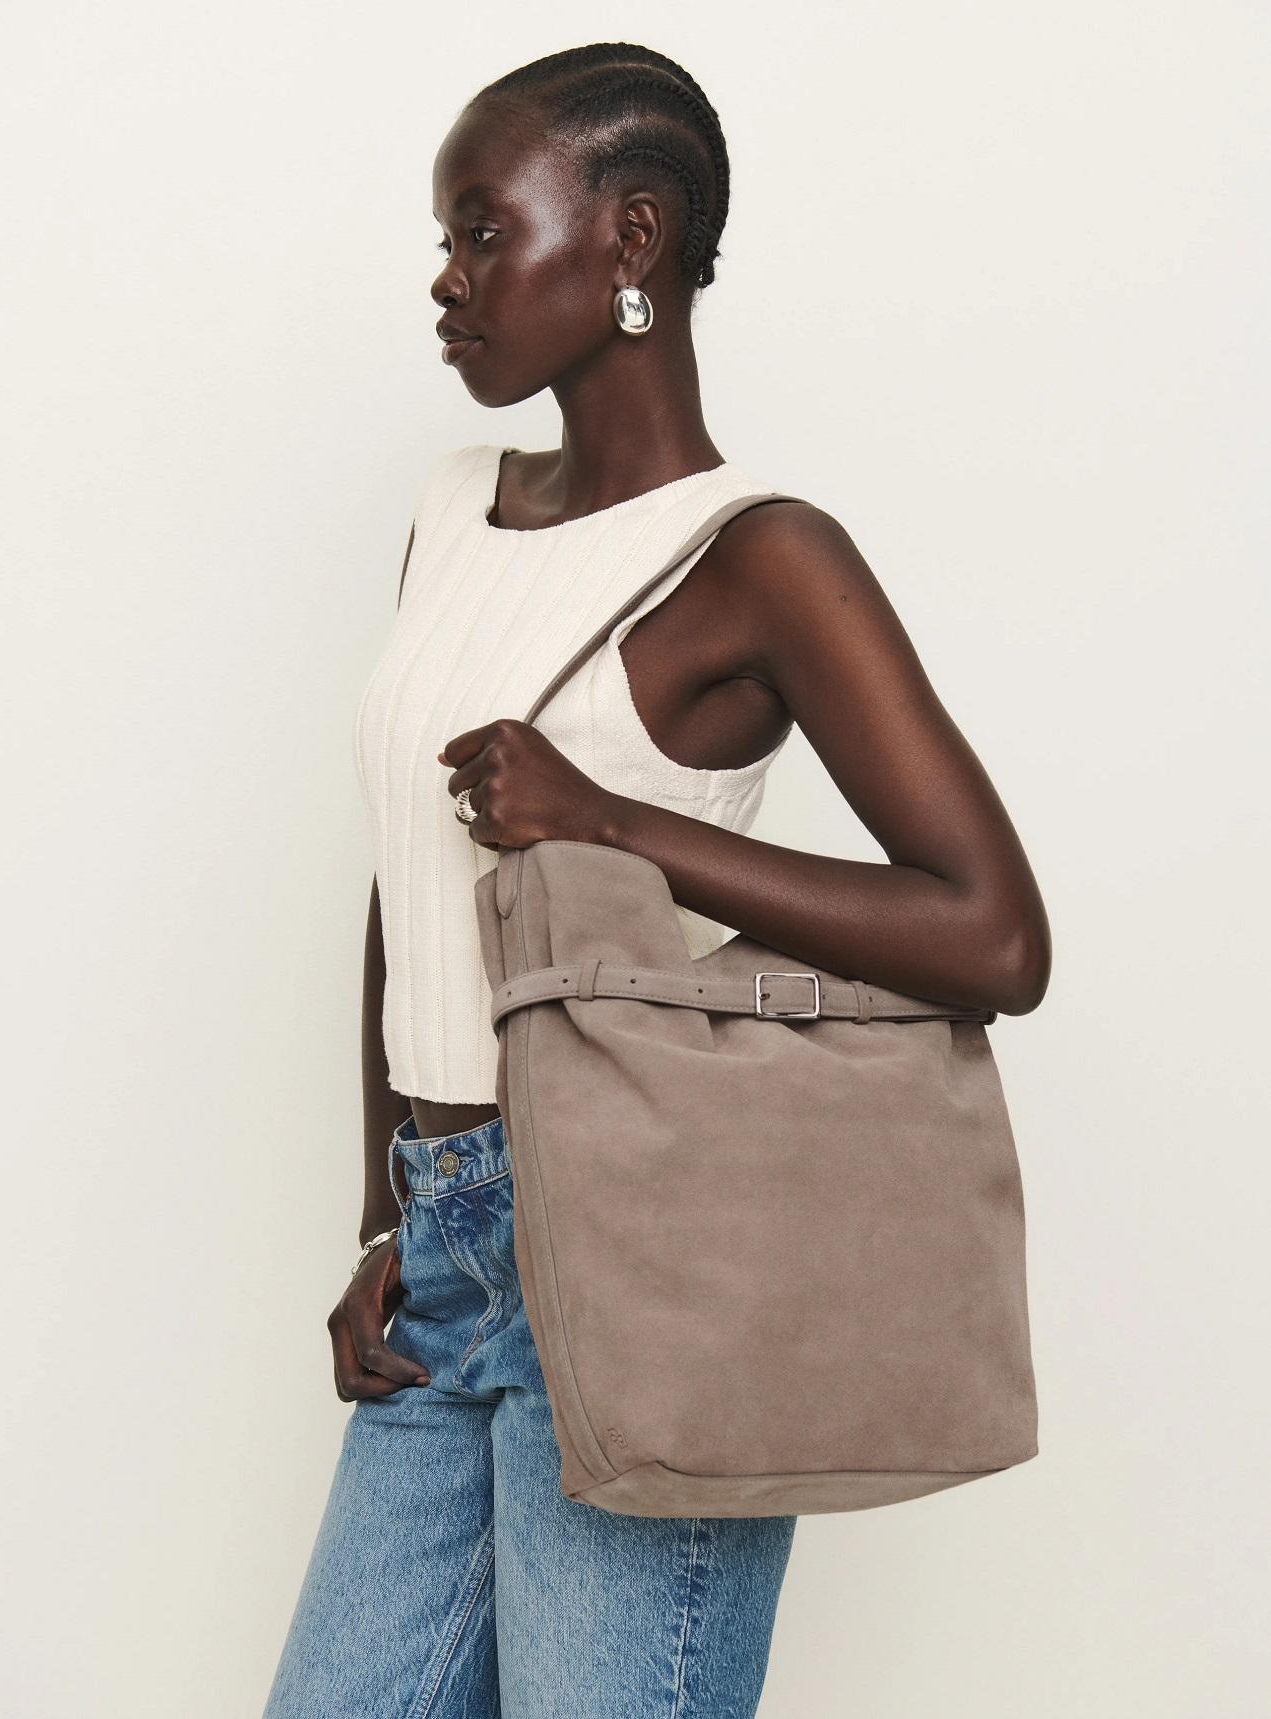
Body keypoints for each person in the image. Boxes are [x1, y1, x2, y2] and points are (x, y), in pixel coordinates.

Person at [263, 40, 1051, 1719]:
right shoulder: (454, 512)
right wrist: (387, 1211)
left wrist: (613, 822)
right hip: (446, 1241)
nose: (446, 280)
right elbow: (409, 875)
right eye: (446, 240)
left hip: (637, 1244)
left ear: (631, 239)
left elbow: (992, 932)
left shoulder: (761, 555)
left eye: (483, 233)